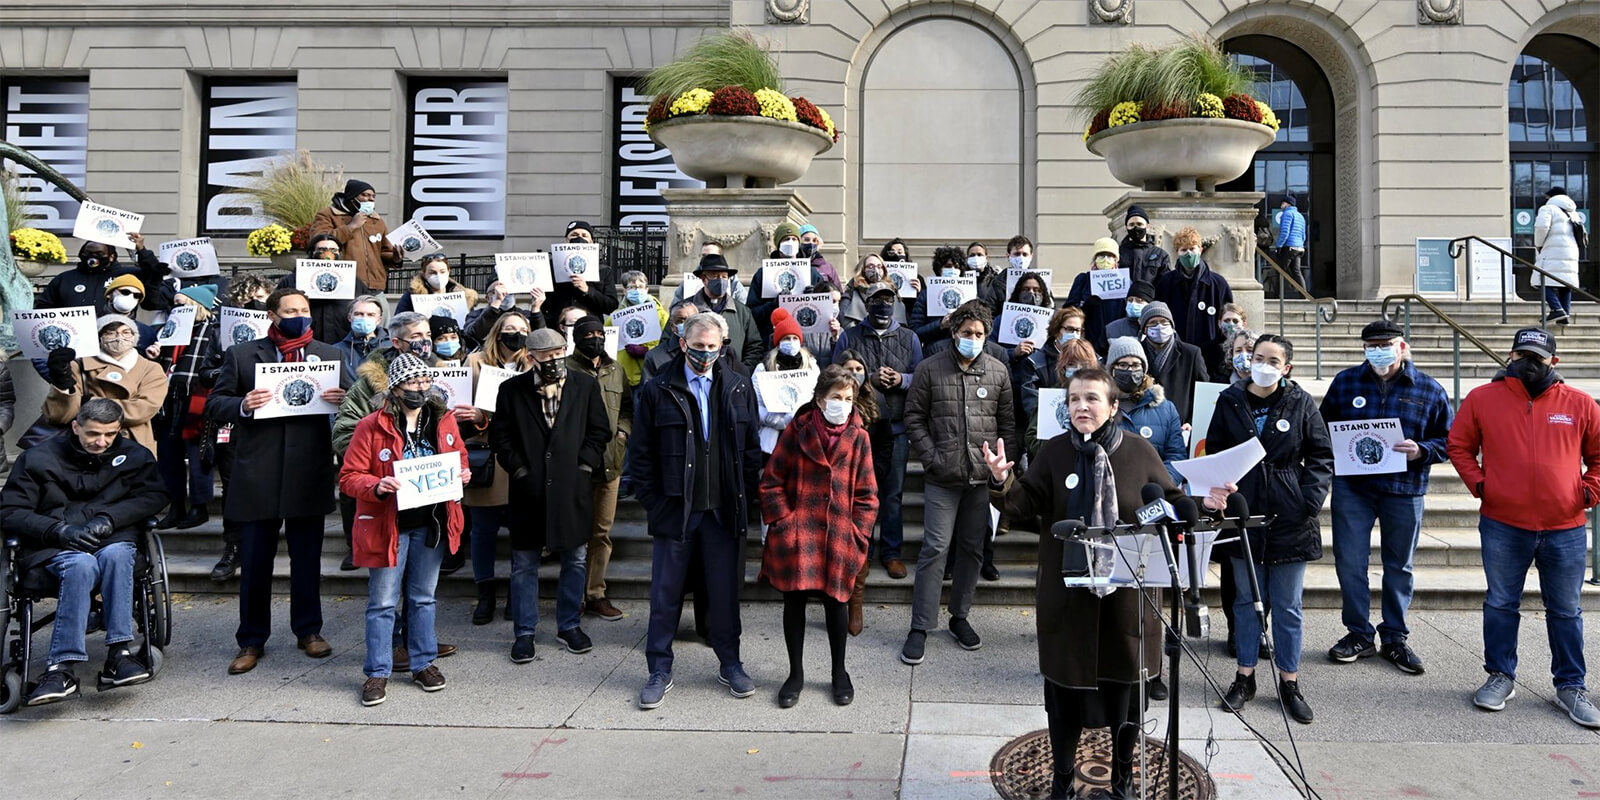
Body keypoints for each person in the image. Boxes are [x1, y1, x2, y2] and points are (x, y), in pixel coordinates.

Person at [986, 368, 1234, 800]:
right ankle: (1062, 783)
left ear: (1113, 407)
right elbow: (1019, 505)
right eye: (1074, 399)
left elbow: (1171, 501)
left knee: (1126, 696)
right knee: (1064, 699)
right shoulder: (1054, 451)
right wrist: (998, 479)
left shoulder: (1139, 452)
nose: (1081, 406)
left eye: (1092, 399)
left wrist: (1203, 502)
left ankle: (1122, 781)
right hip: (1069, 600)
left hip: (1127, 600)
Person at [1448, 327, 1600, 729]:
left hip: (1564, 526)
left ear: (1554, 361)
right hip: (1503, 523)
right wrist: (1481, 484)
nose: (1528, 363)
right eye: (1521, 355)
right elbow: (1459, 446)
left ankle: (1571, 685)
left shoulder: (1580, 403)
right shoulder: (1483, 399)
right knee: (1500, 603)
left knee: (1566, 610)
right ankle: (1500, 675)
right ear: (1509, 356)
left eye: (1537, 357)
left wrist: (1587, 492)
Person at [206, 287, 350, 676]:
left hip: (308, 471)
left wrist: (344, 397)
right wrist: (242, 405)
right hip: (258, 473)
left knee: (307, 560)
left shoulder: (330, 354)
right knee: (254, 562)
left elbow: (360, 405)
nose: (299, 316)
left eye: (304, 310)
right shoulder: (242, 355)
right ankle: (251, 639)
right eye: (290, 310)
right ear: (272, 315)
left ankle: (309, 631)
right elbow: (214, 403)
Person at [628, 311, 763, 709]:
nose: (705, 354)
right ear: (683, 344)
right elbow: (641, 456)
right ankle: (658, 669)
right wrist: (655, 502)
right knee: (665, 595)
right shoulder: (657, 390)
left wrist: (746, 496)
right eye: (699, 346)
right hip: (676, 512)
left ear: (722, 347)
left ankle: (730, 662)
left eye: (712, 347)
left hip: (722, 512)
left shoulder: (739, 387)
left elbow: (751, 450)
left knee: (724, 594)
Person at [1, 398, 169, 706]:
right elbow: (10, 510)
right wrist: (58, 531)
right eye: (93, 434)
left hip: (112, 538)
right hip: (53, 545)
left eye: (110, 434)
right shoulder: (38, 458)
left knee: (118, 555)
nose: (101, 442)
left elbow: (154, 495)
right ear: (76, 426)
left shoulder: (134, 456)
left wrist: (110, 519)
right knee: (81, 565)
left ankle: (120, 652)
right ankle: (60, 668)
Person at [1208, 333, 1333, 724]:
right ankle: (1244, 677)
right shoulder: (1229, 400)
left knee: (1288, 607)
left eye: (1271, 359)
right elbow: (1215, 450)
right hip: (1243, 512)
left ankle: (1289, 680)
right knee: (1245, 603)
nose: (1261, 364)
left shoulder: (1300, 403)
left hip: (1289, 516)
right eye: (1256, 356)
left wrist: (1307, 500)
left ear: (1286, 368)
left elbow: (1321, 455)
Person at [1321, 319, 1454, 674]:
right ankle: (1358, 633)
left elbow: (1450, 441)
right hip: (1354, 489)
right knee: (1350, 563)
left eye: (1386, 344)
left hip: (1404, 489)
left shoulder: (1428, 388)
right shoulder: (1346, 382)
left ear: (1403, 347)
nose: (1378, 350)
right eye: (1371, 345)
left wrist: (1422, 450)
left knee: (1399, 566)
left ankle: (1394, 636)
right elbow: (1321, 430)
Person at [339, 354, 469, 706]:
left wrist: (462, 474)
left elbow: (459, 458)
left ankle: (423, 662)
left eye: (425, 381)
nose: (420, 389)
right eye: (412, 383)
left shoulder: (443, 420)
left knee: (423, 598)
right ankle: (377, 672)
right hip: (388, 525)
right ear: (395, 387)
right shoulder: (371, 425)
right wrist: (377, 486)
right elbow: (349, 477)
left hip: (432, 524)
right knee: (382, 602)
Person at [901, 299, 1017, 665]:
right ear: (954, 333)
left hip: (981, 480)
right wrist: (932, 457)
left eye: (979, 334)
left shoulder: (998, 371)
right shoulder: (929, 368)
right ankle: (921, 625)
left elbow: (1008, 424)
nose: (973, 338)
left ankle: (960, 616)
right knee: (935, 548)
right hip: (942, 477)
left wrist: (1001, 467)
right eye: (966, 333)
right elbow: (914, 417)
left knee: (972, 549)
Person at [489, 327, 611, 662]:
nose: (554, 360)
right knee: (524, 564)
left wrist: (584, 465)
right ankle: (524, 632)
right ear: (531, 357)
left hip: (572, 490)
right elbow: (501, 437)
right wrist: (520, 470)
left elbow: (600, 430)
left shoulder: (584, 385)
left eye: (559, 353)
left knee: (575, 558)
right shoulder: (511, 390)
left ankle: (569, 625)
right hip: (528, 490)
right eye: (546, 356)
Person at [760, 365, 878, 707]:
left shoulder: (859, 438)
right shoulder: (796, 432)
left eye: (848, 398)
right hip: (797, 536)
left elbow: (868, 494)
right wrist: (782, 520)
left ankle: (839, 672)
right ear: (819, 399)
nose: (842, 403)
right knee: (793, 603)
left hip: (839, 536)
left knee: (836, 603)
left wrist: (858, 532)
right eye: (835, 397)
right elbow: (771, 481)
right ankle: (795, 674)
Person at [333, 311, 438, 570]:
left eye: (427, 335)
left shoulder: (442, 373)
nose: (424, 342)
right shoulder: (369, 384)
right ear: (396, 343)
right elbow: (344, 432)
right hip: (387, 492)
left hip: (430, 498)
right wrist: (381, 459)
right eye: (416, 336)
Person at [833, 283, 923, 580]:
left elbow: (921, 377)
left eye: (888, 299)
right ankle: (862, 551)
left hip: (895, 427)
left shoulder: (909, 337)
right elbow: (835, 374)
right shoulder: (851, 335)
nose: (883, 304)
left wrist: (902, 379)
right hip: (857, 428)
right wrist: (866, 379)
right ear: (867, 303)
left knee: (892, 494)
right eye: (876, 299)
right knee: (857, 493)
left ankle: (892, 553)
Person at [200, 272, 276, 582]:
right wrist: (230, 366)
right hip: (234, 423)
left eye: (262, 299)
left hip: (273, 425)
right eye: (249, 299)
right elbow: (204, 375)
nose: (255, 305)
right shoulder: (219, 331)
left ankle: (261, 546)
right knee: (233, 489)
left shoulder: (279, 338)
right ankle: (233, 548)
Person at [460, 311, 534, 624]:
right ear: (497, 332)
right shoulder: (475, 362)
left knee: (523, 531)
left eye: (521, 329)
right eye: (509, 329)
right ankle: (485, 593)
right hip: (486, 455)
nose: (514, 334)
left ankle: (517, 594)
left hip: (523, 457)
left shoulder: (533, 363)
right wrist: (479, 417)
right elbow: (459, 409)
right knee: (483, 531)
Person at [567, 316, 632, 622]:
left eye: (598, 333)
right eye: (587, 334)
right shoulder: (566, 368)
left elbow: (629, 409)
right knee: (576, 532)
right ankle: (573, 595)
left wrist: (623, 433)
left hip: (611, 462)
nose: (594, 338)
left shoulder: (616, 369)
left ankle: (595, 593)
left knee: (601, 532)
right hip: (577, 464)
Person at [41, 314, 168, 454]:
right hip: (87, 444)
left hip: (134, 443)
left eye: (126, 332)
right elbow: (61, 415)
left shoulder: (151, 369)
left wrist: (89, 403)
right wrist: (62, 383)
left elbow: (143, 409)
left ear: (135, 337)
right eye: (111, 332)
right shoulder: (79, 365)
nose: (119, 337)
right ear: (99, 336)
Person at [154, 285, 220, 530]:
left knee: (198, 453)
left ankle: (199, 506)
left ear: (198, 305)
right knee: (168, 455)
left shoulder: (215, 331)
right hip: (169, 396)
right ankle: (175, 505)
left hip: (198, 396)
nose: (177, 309)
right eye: (175, 304)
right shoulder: (170, 331)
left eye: (183, 304)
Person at [834, 350, 883, 635]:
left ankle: (856, 600)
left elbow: (887, 443)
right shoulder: (831, 407)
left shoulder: (875, 402)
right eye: (848, 368)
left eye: (859, 367)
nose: (854, 372)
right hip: (836, 486)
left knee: (861, 543)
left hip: (866, 483)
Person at [1154, 226, 1235, 376]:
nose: (1189, 254)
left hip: (1210, 358)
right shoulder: (1166, 283)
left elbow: (1228, 318)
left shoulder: (1218, 284)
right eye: (1184, 250)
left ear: (1201, 250)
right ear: (1177, 252)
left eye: (1192, 248)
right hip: (1174, 355)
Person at [39, 234, 173, 313]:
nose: (92, 257)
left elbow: (154, 272)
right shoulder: (65, 278)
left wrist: (141, 249)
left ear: (111, 257)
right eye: (88, 253)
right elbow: (44, 307)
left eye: (99, 254)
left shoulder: (128, 276)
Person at [309, 179, 399, 292]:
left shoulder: (377, 221)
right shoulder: (328, 215)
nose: (370, 199)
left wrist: (395, 258)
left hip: (375, 286)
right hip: (344, 283)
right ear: (352, 198)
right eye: (365, 195)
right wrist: (351, 226)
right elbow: (319, 241)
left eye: (373, 196)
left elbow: (383, 252)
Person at [279, 234, 365, 346]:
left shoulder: (354, 281)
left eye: (334, 250)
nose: (328, 254)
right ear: (311, 253)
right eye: (322, 249)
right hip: (304, 341)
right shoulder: (292, 280)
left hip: (343, 341)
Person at [754, 309, 820, 454]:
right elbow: (755, 404)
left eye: (794, 338)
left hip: (805, 435)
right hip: (772, 440)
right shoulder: (763, 368)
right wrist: (777, 421)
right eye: (786, 338)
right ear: (778, 341)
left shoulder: (811, 366)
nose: (791, 342)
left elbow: (818, 398)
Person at [747, 222, 828, 336]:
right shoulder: (763, 274)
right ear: (778, 244)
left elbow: (825, 311)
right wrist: (774, 303)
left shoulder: (813, 274)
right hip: (771, 336)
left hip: (805, 336)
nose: (790, 242)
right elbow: (752, 313)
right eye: (786, 239)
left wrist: (813, 297)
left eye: (794, 239)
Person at [685, 253, 763, 369]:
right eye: (715, 276)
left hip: (733, 378)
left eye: (724, 276)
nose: (721, 281)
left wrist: (743, 372)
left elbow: (754, 347)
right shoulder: (686, 310)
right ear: (703, 279)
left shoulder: (742, 312)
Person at [1137, 301, 1209, 425]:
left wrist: (1192, 422)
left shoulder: (1191, 353)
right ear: (1144, 329)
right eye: (1153, 322)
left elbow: (1203, 393)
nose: (1159, 326)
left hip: (1180, 426)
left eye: (1164, 322)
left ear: (1171, 325)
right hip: (1144, 424)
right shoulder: (1137, 352)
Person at [542, 220, 620, 319]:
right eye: (574, 235)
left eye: (584, 235)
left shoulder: (603, 270)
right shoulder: (551, 267)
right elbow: (544, 304)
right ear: (566, 240)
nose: (579, 238)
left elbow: (611, 306)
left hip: (589, 327)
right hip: (559, 326)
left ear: (591, 241)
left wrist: (588, 290)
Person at [1062, 237, 1123, 355]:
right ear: (1095, 259)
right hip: (1089, 340)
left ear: (1116, 260)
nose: (1105, 260)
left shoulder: (1123, 282)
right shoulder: (1083, 280)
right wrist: (1084, 307)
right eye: (1101, 255)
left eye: (1110, 256)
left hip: (1114, 341)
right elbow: (1068, 311)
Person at [1534, 187, 1583, 325]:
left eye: (1546, 197)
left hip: (1552, 250)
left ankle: (1557, 309)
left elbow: (1542, 227)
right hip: (1571, 251)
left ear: (1551, 197)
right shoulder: (1573, 212)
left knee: (1540, 280)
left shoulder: (1547, 208)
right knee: (1565, 284)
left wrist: (1538, 244)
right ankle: (1564, 315)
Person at [616, 270, 669, 388]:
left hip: (651, 374)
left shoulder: (661, 315)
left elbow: (668, 345)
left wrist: (647, 350)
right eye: (632, 287)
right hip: (625, 377)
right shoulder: (614, 318)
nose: (637, 290)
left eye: (640, 287)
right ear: (624, 291)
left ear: (647, 290)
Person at [907, 246, 965, 344]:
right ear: (939, 269)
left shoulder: (971, 294)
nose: (953, 270)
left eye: (956, 267)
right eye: (948, 266)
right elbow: (915, 332)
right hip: (934, 351)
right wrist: (940, 325)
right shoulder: (926, 295)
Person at [393, 253, 479, 316]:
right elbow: (399, 321)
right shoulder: (412, 296)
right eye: (432, 273)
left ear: (448, 271)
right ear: (424, 273)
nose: (438, 276)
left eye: (442, 272)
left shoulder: (464, 297)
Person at [671, 241, 748, 304]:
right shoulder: (690, 280)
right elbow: (676, 305)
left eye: (711, 256)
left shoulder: (732, 281)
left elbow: (744, 303)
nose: (707, 259)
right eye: (704, 255)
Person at [642, 299, 699, 382]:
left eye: (692, 320)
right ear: (672, 326)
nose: (687, 324)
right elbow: (647, 391)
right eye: (681, 320)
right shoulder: (655, 356)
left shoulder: (708, 350)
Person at [335, 294, 390, 378]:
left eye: (370, 315)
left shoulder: (392, 348)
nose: (364, 318)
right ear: (350, 317)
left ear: (379, 320)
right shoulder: (336, 351)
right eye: (359, 314)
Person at [1117, 206, 1170, 285]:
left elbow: (1166, 284)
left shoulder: (1161, 255)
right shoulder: (1117, 253)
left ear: (1147, 227)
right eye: (1132, 224)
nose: (1136, 228)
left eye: (1139, 224)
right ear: (1126, 228)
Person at [840, 252, 895, 328]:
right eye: (870, 266)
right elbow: (847, 323)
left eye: (879, 267)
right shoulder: (851, 292)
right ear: (862, 269)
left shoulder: (892, 292)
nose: (875, 270)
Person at [1274, 195, 1309, 293]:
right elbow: (1303, 235)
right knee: (1296, 271)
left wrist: (1278, 246)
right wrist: (1301, 245)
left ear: (1288, 204)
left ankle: (1277, 296)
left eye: (1283, 203)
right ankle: (1304, 296)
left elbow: (1285, 232)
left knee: (1280, 271)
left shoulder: (1287, 214)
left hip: (1289, 247)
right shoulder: (1300, 216)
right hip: (1299, 248)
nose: (1281, 206)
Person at [1212, 304, 1248, 381]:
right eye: (1226, 320)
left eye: (1235, 321)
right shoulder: (1208, 349)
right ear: (1219, 323)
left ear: (1244, 324)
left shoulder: (1251, 346)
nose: (1231, 325)